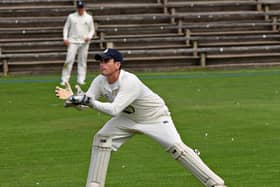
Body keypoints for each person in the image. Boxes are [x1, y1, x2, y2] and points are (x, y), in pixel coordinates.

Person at [55, 48, 227, 187]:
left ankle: (216, 184)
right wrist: (74, 100)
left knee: (177, 149)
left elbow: (113, 109)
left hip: (155, 117)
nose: (102, 64)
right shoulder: (100, 81)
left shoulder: (130, 81)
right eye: (100, 61)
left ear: (117, 64)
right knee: (102, 138)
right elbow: (86, 103)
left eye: (106, 61)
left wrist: (88, 101)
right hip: (128, 118)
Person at [60, 0, 95, 86]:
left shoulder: (89, 17)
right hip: (73, 42)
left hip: (84, 43)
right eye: (79, 8)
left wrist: (89, 37)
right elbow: (66, 28)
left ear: (84, 7)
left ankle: (81, 80)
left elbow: (92, 30)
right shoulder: (71, 17)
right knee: (68, 61)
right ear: (77, 8)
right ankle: (64, 79)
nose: (80, 10)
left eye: (82, 8)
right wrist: (65, 38)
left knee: (82, 61)